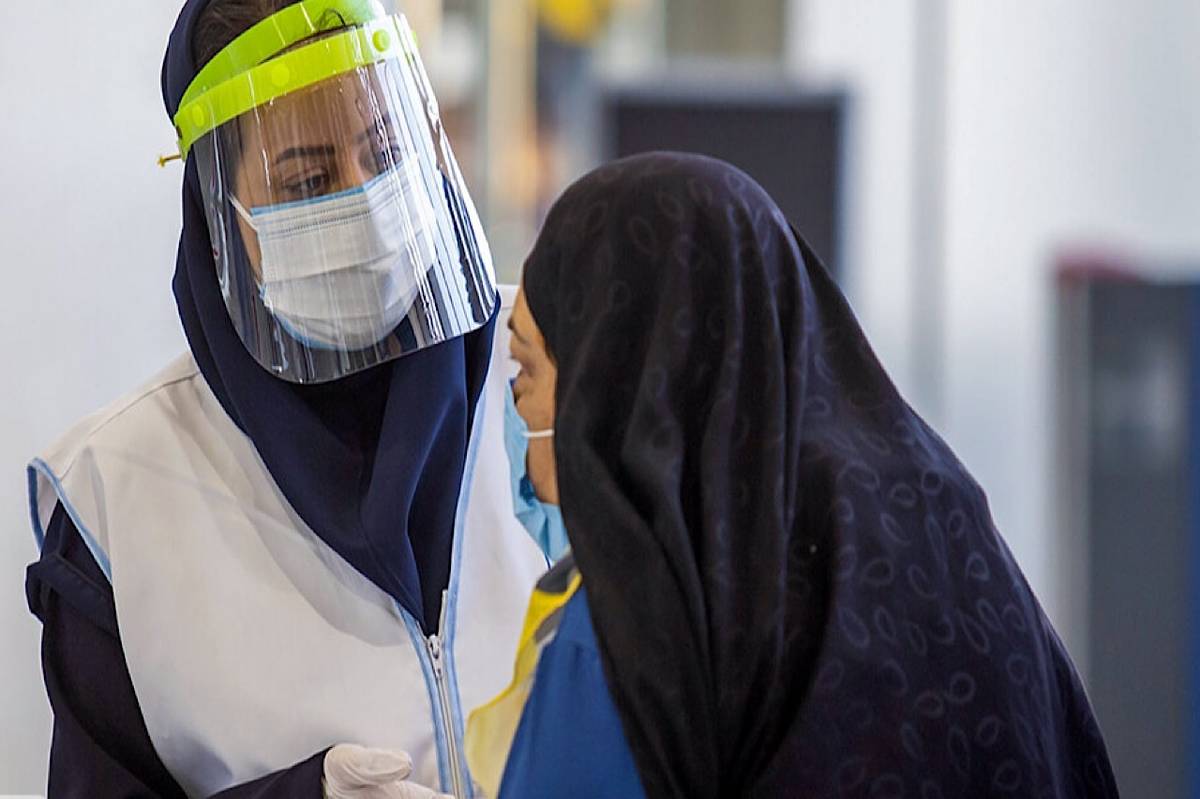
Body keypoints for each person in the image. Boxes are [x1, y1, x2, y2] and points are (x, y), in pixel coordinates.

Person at [466, 152, 1120, 797]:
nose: (516, 407)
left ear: (616, 380)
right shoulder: (948, 531)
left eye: (527, 370)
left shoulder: (634, 633)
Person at [23, 1, 549, 796]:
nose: (367, 198)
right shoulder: (117, 500)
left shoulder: (557, 378)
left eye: (387, 151)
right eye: (307, 179)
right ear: (218, 217)